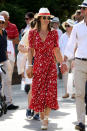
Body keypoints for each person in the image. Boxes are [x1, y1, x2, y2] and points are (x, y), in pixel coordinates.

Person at [27, 7, 67, 130]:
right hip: (38, 66)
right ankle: (42, 115)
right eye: (43, 17)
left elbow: (56, 50)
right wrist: (30, 66)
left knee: (50, 93)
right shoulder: (32, 33)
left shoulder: (54, 33)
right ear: (39, 19)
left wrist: (61, 63)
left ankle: (45, 119)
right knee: (39, 93)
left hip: (51, 66)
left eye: (48, 18)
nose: (46, 20)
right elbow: (30, 50)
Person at [64, 0, 87, 130]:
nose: (82, 11)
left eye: (84, 8)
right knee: (79, 94)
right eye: (82, 8)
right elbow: (71, 44)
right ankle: (81, 122)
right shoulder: (77, 27)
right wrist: (64, 60)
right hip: (79, 62)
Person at [17, 20, 40, 120]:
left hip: (41, 63)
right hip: (31, 62)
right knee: (33, 87)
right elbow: (20, 47)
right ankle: (30, 108)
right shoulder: (29, 33)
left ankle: (36, 112)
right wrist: (31, 50)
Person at [0, 11, 19, 110]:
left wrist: (7, 54)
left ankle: (8, 102)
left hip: (6, 58)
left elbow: (15, 41)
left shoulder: (5, 32)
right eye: (0, 21)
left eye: (2, 22)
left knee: (7, 80)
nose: (1, 24)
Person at [59, 19, 75, 98]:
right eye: (66, 26)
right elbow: (60, 48)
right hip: (64, 59)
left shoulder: (75, 36)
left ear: (72, 27)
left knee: (74, 75)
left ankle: (74, 93)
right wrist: (61, 60)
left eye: (68, 26)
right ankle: (67, 92)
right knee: (65, 76)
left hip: (74, 58)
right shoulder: (62, 36)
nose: (66, 27)